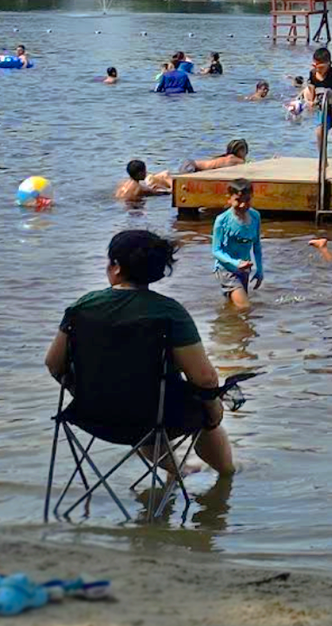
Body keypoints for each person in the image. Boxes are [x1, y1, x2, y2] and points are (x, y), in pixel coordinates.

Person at [45, 229, 236, 476]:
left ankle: (177, 470)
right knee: (205, 409)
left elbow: (53, 363)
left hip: (92, 415)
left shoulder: (82, 307)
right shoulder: (169, 312)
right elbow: (205, 378)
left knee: (144, 407)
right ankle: (227, 476)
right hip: (154, 417)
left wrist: (82, 391)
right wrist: (214, 409)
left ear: (115, 268)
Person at [212, 180, 264, 310]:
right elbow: (216, 250)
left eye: (247, 200)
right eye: (238, 200)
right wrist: (236, 263)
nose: (242, 205)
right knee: (245, 307)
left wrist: (260, 270)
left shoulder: (255, 216)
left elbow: (256, 245)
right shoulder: (222, 220)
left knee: (233, 307)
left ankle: (228, 325)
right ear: (229, 199)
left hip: (245, 268)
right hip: (227, 269)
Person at [180, 140, 249, 174]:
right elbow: (247, 166)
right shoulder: (235, 160)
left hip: (190, 164)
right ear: (241, 151)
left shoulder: (228, 157)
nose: (246, 154)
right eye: (245, 152)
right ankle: (169, 178)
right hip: (191, 167)